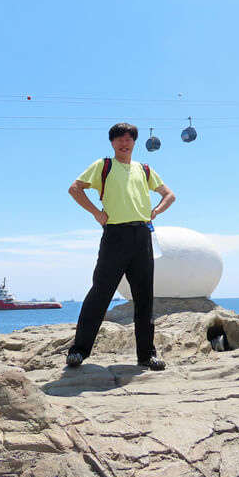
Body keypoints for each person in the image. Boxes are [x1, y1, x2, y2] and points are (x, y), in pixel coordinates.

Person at [66, 123, 175, 371]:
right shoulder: (103, 166)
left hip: (142, 235)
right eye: (119, 140)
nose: (124, 143)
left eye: (128, 139)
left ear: (134, 142)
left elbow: (169, 194)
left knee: (144, 298)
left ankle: (147, 356)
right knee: (100, 293)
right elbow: (75, 188)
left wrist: (155, 211)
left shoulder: (144, 169)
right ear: (112, 143)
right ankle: (78, 352)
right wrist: (96, 213)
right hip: (114, 234)